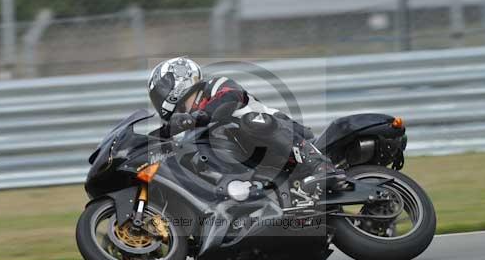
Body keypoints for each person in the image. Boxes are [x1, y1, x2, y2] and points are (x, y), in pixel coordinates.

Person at [147, 57, 346, 194]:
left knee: (250, 121)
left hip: (281, 133)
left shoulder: (215, 85)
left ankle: (321, 165)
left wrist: (199, 117)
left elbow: (231, 97)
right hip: (261, 164)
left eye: (160, 91)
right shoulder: (192, 128)